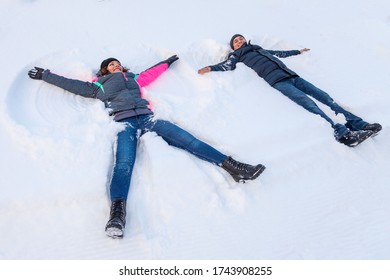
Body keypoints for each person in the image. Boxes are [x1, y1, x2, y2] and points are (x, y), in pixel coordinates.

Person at [28, 55, 265, 238]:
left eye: (118, 64)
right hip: (123, 123)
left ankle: (233, 167)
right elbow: (71, 84)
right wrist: (46, 75)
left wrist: (168, 62)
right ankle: (117, 215)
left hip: (148, 117)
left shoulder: (133, 79)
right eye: (111, 65)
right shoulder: (98, 86)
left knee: (189, 140)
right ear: (104, 70)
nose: (116, 66)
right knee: (123, 164)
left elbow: (152, 72)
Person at [198, 34, 382, 147]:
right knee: (310, 104)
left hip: (292, 76)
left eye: (240, 38)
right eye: (236, 41)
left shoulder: (259, 49)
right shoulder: (236, 56)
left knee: (325, 98)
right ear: (234, 47)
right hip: (278, 82)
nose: (239, 41)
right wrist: (210, 68)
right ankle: (343, 134)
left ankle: (358, 124)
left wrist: (297, 52)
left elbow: (279, 53)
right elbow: (227, 65)